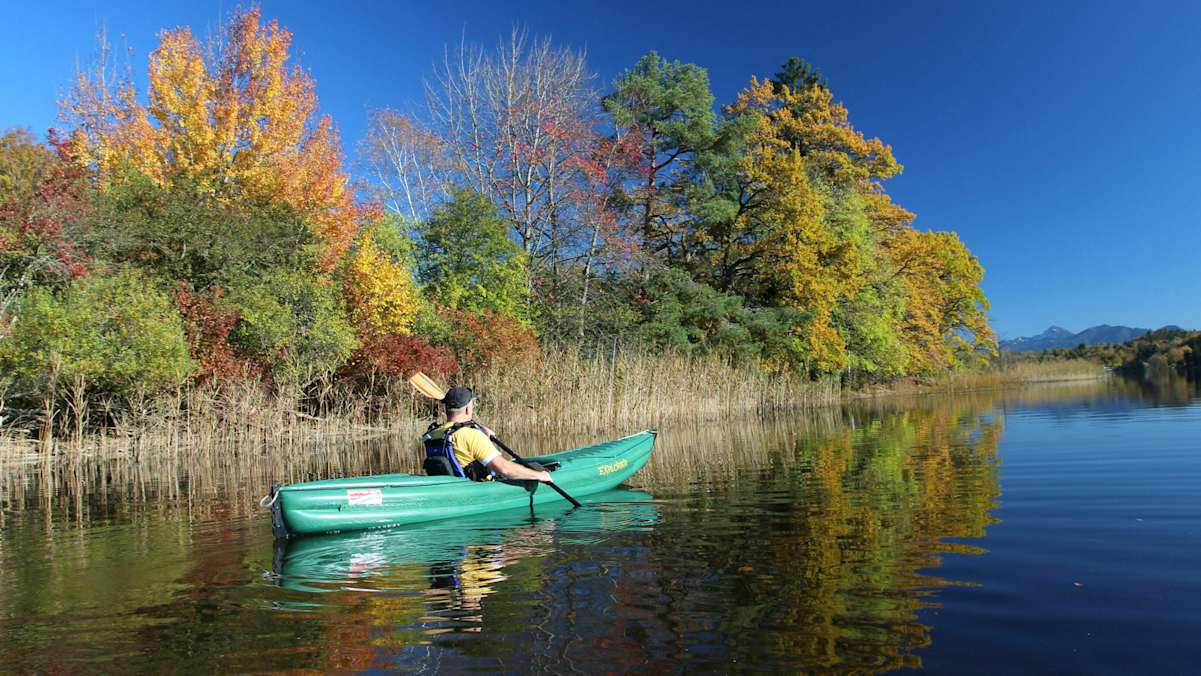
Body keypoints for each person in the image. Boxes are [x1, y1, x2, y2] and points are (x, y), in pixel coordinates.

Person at [422, 386, 553, 483]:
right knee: (535, 469)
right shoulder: (472, 435)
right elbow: (504, 469)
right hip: (475, 489)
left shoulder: (432, 434)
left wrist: (481, 431)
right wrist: (540, 475)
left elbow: (458, 436)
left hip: (452, 487)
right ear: (468, 408)